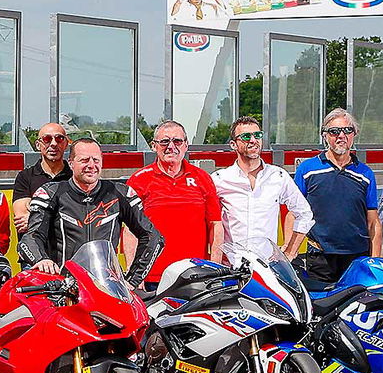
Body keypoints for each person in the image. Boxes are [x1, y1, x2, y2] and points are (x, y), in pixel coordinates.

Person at [21, 137, 163, 287]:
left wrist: (133, 280)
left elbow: (153, 237)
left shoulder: (120, 193)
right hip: (64, 287)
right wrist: (41, 260)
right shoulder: (51, 193)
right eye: (84, 160)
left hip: (107, 286)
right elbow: (30, 238)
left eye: (96, 160)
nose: (91, 165)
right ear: (71, 163)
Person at [127, 120, 224, 288]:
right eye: (164, 141)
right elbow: (130, 231)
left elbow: (215, 225)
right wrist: (135, 274)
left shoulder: (203, 178)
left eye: (177, 141)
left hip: (195, 274)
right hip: (152, 277)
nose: (171, 146)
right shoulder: (138, 180)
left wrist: (215, 269)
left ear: (186, 145)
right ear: (154, 146)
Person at [293, 108, 382, 282]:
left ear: (354, 134)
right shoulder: (307, 170)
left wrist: (375, 261)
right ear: (325, 135)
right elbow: (293, 214)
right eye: (334, 131)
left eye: (347, 130)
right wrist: (290, 251)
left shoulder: (365, 173)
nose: (341, 136)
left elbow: (373, 222)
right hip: (320, 258)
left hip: (357, 258)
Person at [212, 116, 314, 258]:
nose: (253, 140)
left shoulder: (278, 176)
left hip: (267, 265)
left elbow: (304, 214)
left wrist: (290, 252)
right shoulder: (219, 179)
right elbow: (208, 222)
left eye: (258, 135)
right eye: (246, 137)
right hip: (232, 265)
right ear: (233, 144)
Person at [11, 122, 72, 232]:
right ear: (38, 145)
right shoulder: (24, 177)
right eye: (47, 139)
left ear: (66, 144)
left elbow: (82, 216)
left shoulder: (75, 177)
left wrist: (35, 218)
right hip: (33, 242)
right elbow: (22, 220)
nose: (53, 144)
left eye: (59, 139)